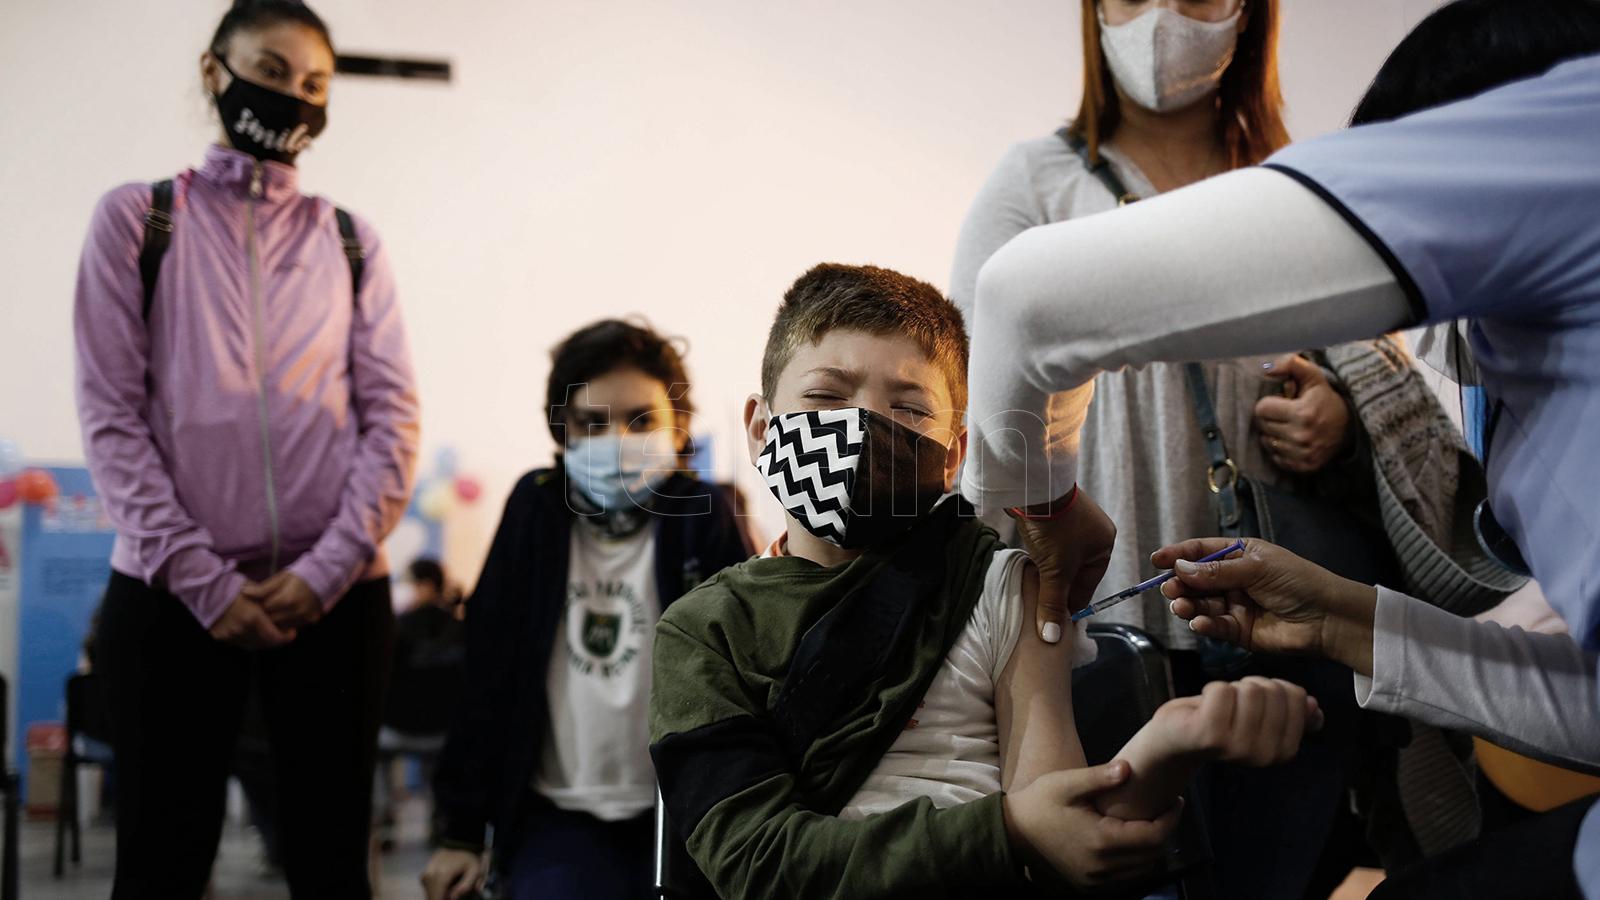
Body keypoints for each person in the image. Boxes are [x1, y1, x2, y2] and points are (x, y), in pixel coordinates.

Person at [957, 0, 1600, 895]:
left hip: (1276, 652)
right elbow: (1004, 330)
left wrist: (1048, 503)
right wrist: (1342, 619)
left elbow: (1027, 307)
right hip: (1124, 633)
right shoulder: (1034, 179)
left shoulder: (1555, 140)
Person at [647, 263, 1321, 900]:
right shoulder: (704, 630)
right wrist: (1009, 827)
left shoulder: (999, 584)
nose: (864, 429)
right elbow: (757, 866)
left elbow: (1065, 839)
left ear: (956, 456)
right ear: (760, 428)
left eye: (910, 410)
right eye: (825, 396)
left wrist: (1171, 744)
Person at [73, 1, 419, 897]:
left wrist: (325, 571)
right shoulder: (138, 220)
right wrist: (203, 580)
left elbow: (392, 421)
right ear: (213, 70)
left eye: (314, 84)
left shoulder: (351, 241)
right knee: (159, 863)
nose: (292, 96)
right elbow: (111, 416)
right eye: (270, 70)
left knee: (332, 866)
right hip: (170, 598)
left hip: (336, 601)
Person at [423, 320, 754, 900]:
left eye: (641, 420)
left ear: (679, 429)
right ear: (563, 433)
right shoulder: (534, 510)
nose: (616, 440)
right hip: (558, 813)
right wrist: (462, 832)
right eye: (591, 423)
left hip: (686, 814)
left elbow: (750, 667)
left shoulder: (703, 517)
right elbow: (487, 671)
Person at [376, 558, 466, 852]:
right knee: (437, 761)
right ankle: (437, 818)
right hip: (445, 734)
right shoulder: (459, 628)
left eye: (409, 583)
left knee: (377, 752)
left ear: (425, 586)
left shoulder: (396, 628)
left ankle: (385, 820)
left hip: (396, 731)